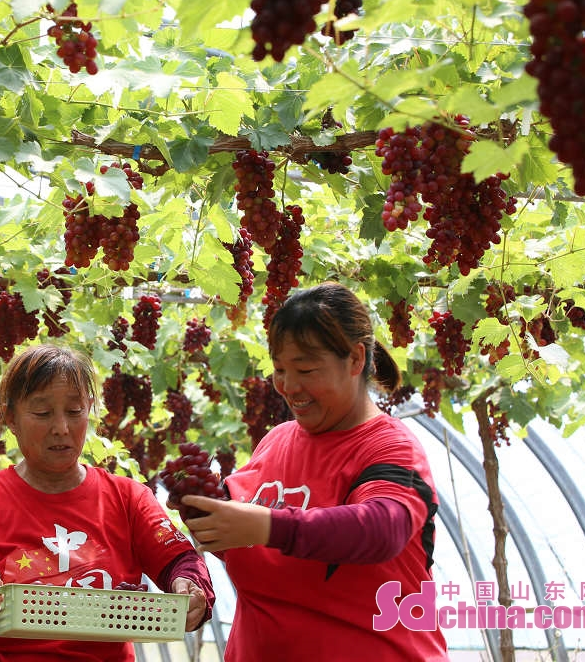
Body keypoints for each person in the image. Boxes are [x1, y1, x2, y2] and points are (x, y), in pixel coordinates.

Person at [180, 282, 449, 661]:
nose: (289, 386)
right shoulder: (276, 442)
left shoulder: (390, 447)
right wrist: (202, 516)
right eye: (279, 370)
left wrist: (266, 525)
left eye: (305, 369)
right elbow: (244, 539)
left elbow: (382, 528)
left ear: (356, 360)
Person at [0, 344, 215, 662]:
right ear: (10, 417)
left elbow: (180, 561)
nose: (61, 428)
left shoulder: (129, 498)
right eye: (42, 413)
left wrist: (190, 586)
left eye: (75, 412)